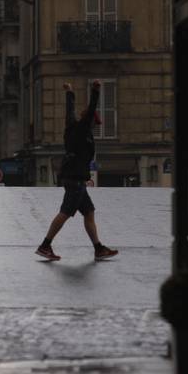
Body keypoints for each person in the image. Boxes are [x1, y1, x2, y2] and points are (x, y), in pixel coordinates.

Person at [35, 80, 119, 262]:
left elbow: (69, 111)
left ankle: (98, 248)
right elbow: (90, 109)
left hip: (75, 178)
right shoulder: (82, 130)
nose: (95, 126)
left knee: (89, 213)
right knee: (64, 213)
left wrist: (70, 92)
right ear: (89, 122)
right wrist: (96, 91)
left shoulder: (71, 126)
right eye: (94, 124)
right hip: (75, 179)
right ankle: (45, 245)